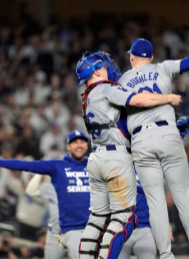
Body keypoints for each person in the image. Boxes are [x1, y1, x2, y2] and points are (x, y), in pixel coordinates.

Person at [117, 25, 189, 259]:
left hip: (140, 140)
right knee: (183, 197)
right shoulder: (163, 67)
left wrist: (129, 146)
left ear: (131, 56)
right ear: (151, 57)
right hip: (166, 134)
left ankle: (167, 255)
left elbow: (120, 122)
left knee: (155, 204)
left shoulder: (121, 81)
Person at [75, 51, 181, 259]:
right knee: (126, 218)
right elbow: (138, 101)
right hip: (115, 158)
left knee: (97, 218)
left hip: (96, 158)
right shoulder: (105, 88)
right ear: (96, 71)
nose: (108, 68)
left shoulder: (86, 97)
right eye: (104, 66)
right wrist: (168, 98)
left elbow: (119, 122)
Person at [0, 130, 90, 259]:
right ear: (68, 146)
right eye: (75, 142)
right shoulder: (58, 166)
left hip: (83, 229)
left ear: (86, 145)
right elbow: (24, 165)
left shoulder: (95, 166)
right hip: (58, 231)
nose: (79, 145)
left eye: (82, 142)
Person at [25, 174, 65, 259]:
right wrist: (40, 172)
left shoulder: (80, 186)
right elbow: (30, 191)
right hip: (56, 232)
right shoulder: (52, 187)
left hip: (75, 230)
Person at [119, 171, 157, 259]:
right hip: (122, 227)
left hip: (144, 228)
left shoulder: (147, 169)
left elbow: (157, 197)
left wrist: (166, 222)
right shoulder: (117, 167)